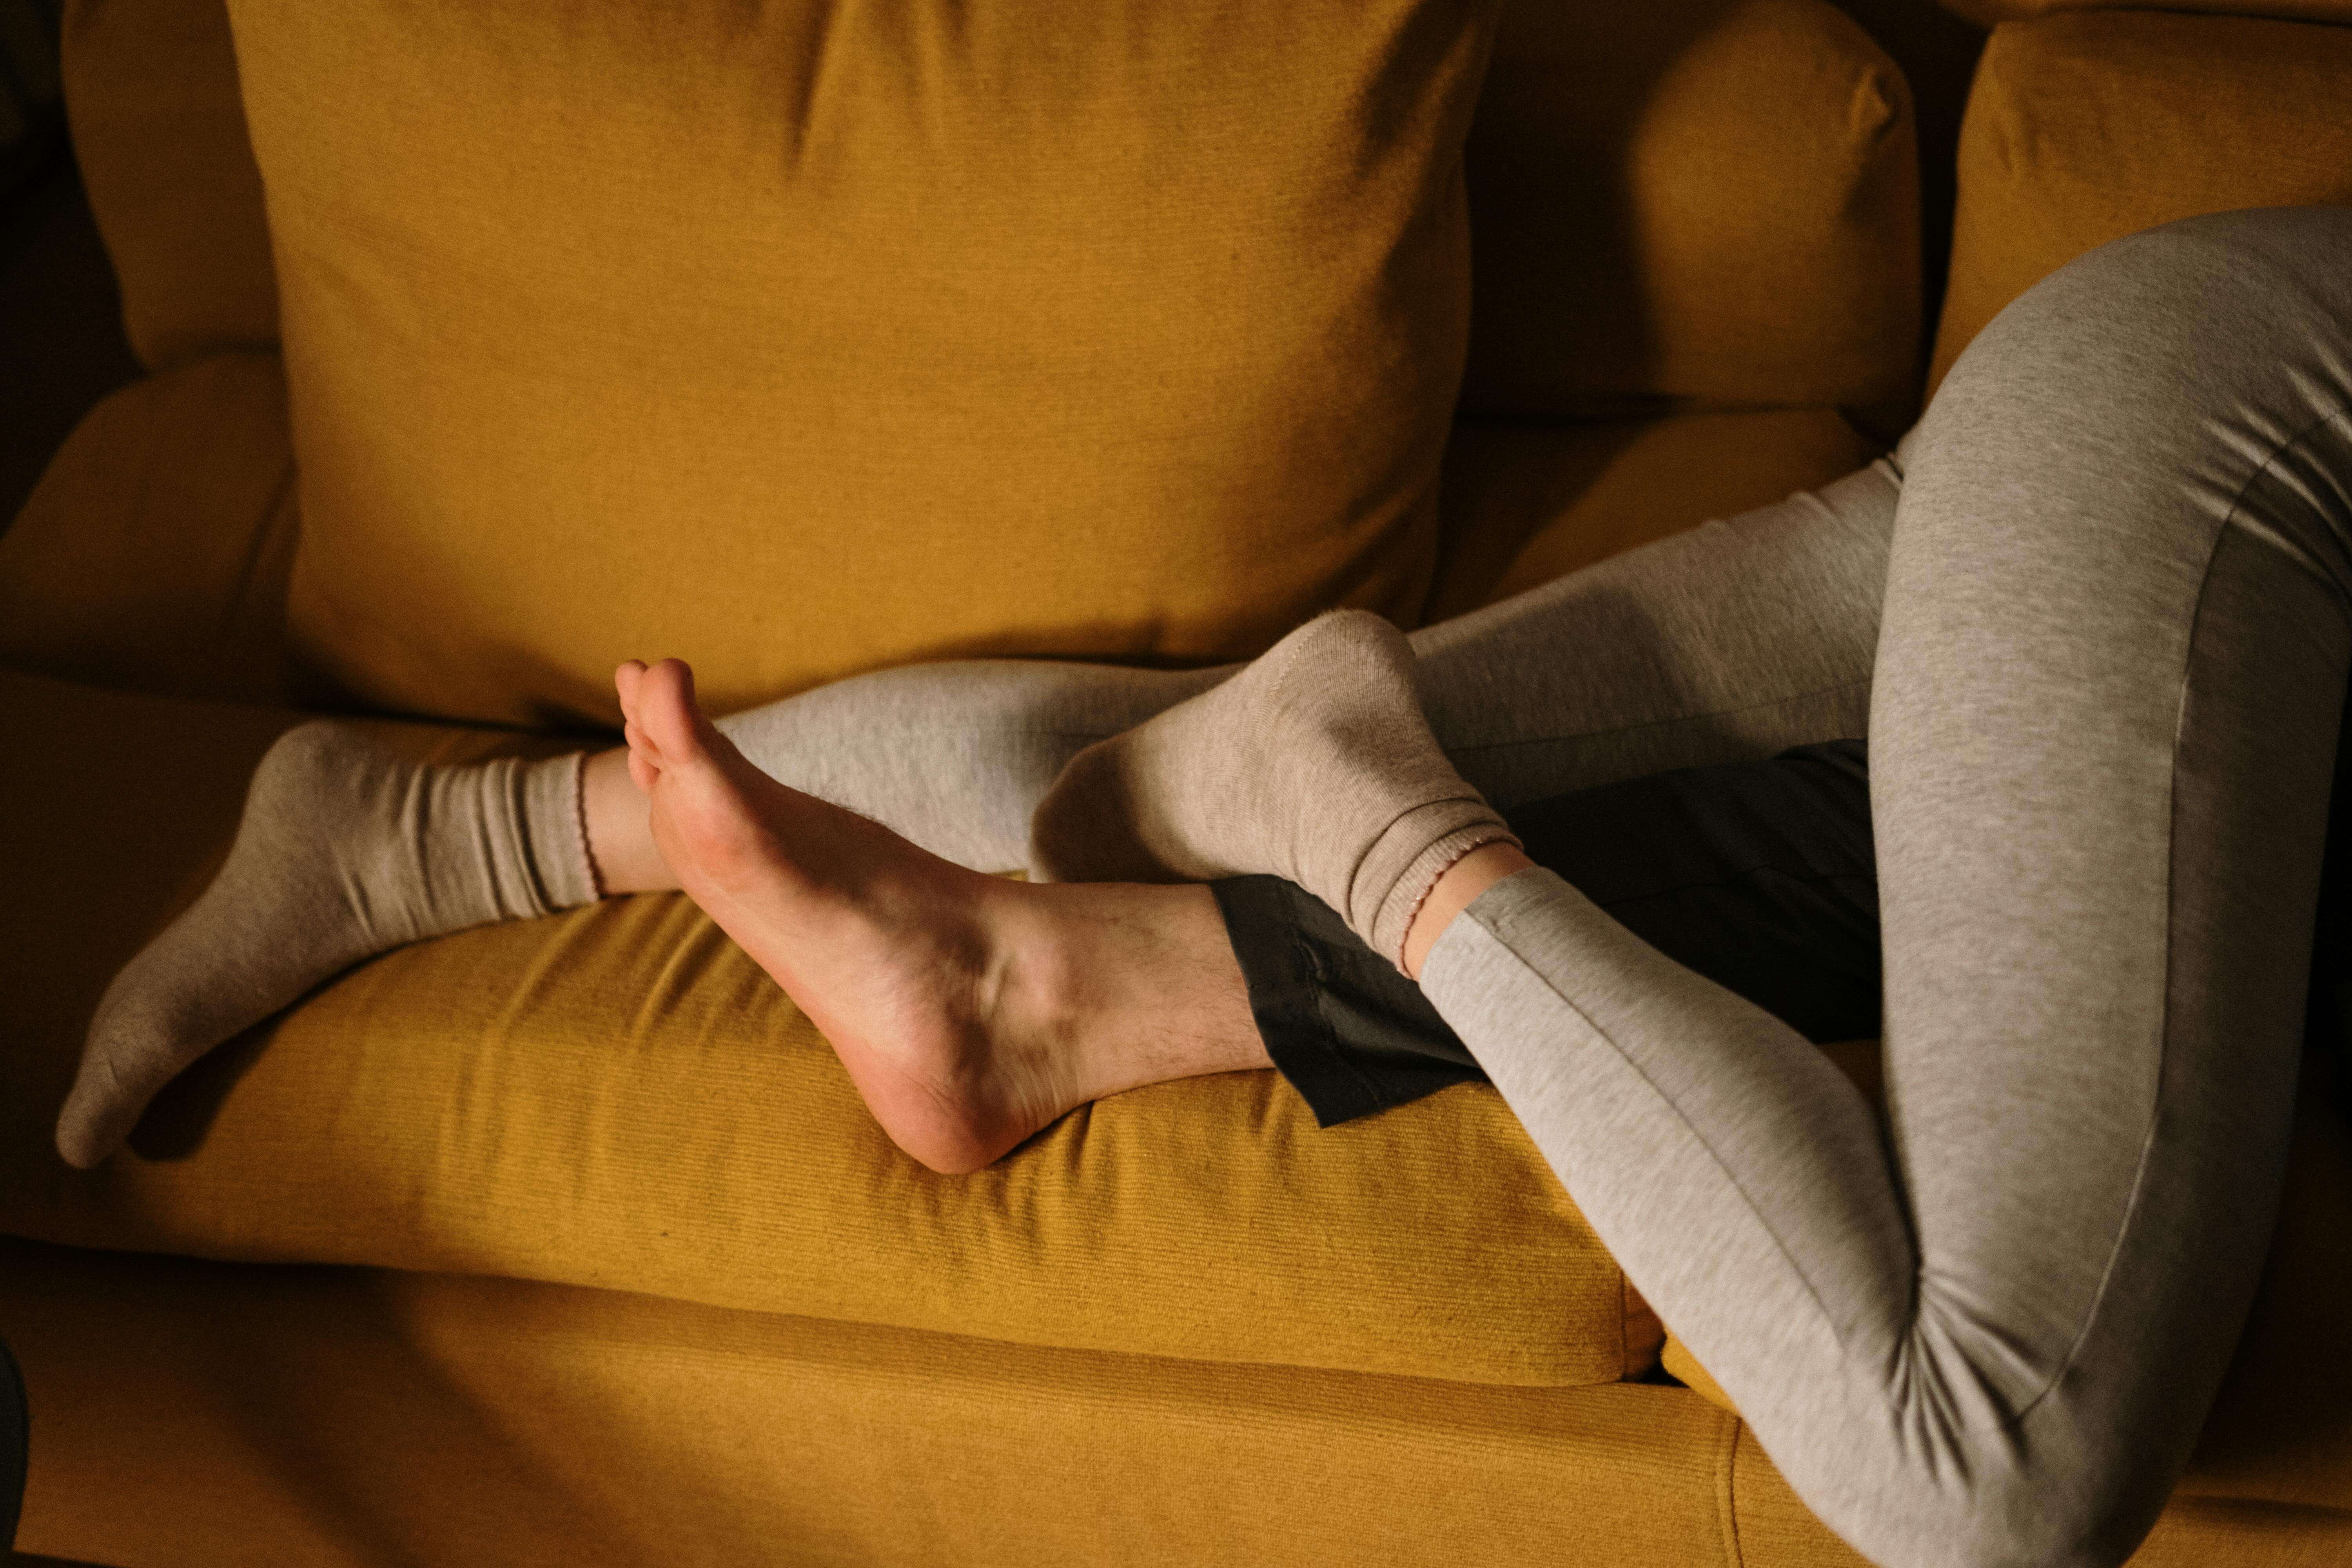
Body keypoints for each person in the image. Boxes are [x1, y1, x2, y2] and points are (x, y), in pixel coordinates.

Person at [49, 207, 2352, 1568]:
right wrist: (1395, 849)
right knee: (1993, 1462)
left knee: (1103, 810)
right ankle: (1357, 805)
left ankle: (421, 827)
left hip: (2175, 438)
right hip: (2223, 436)